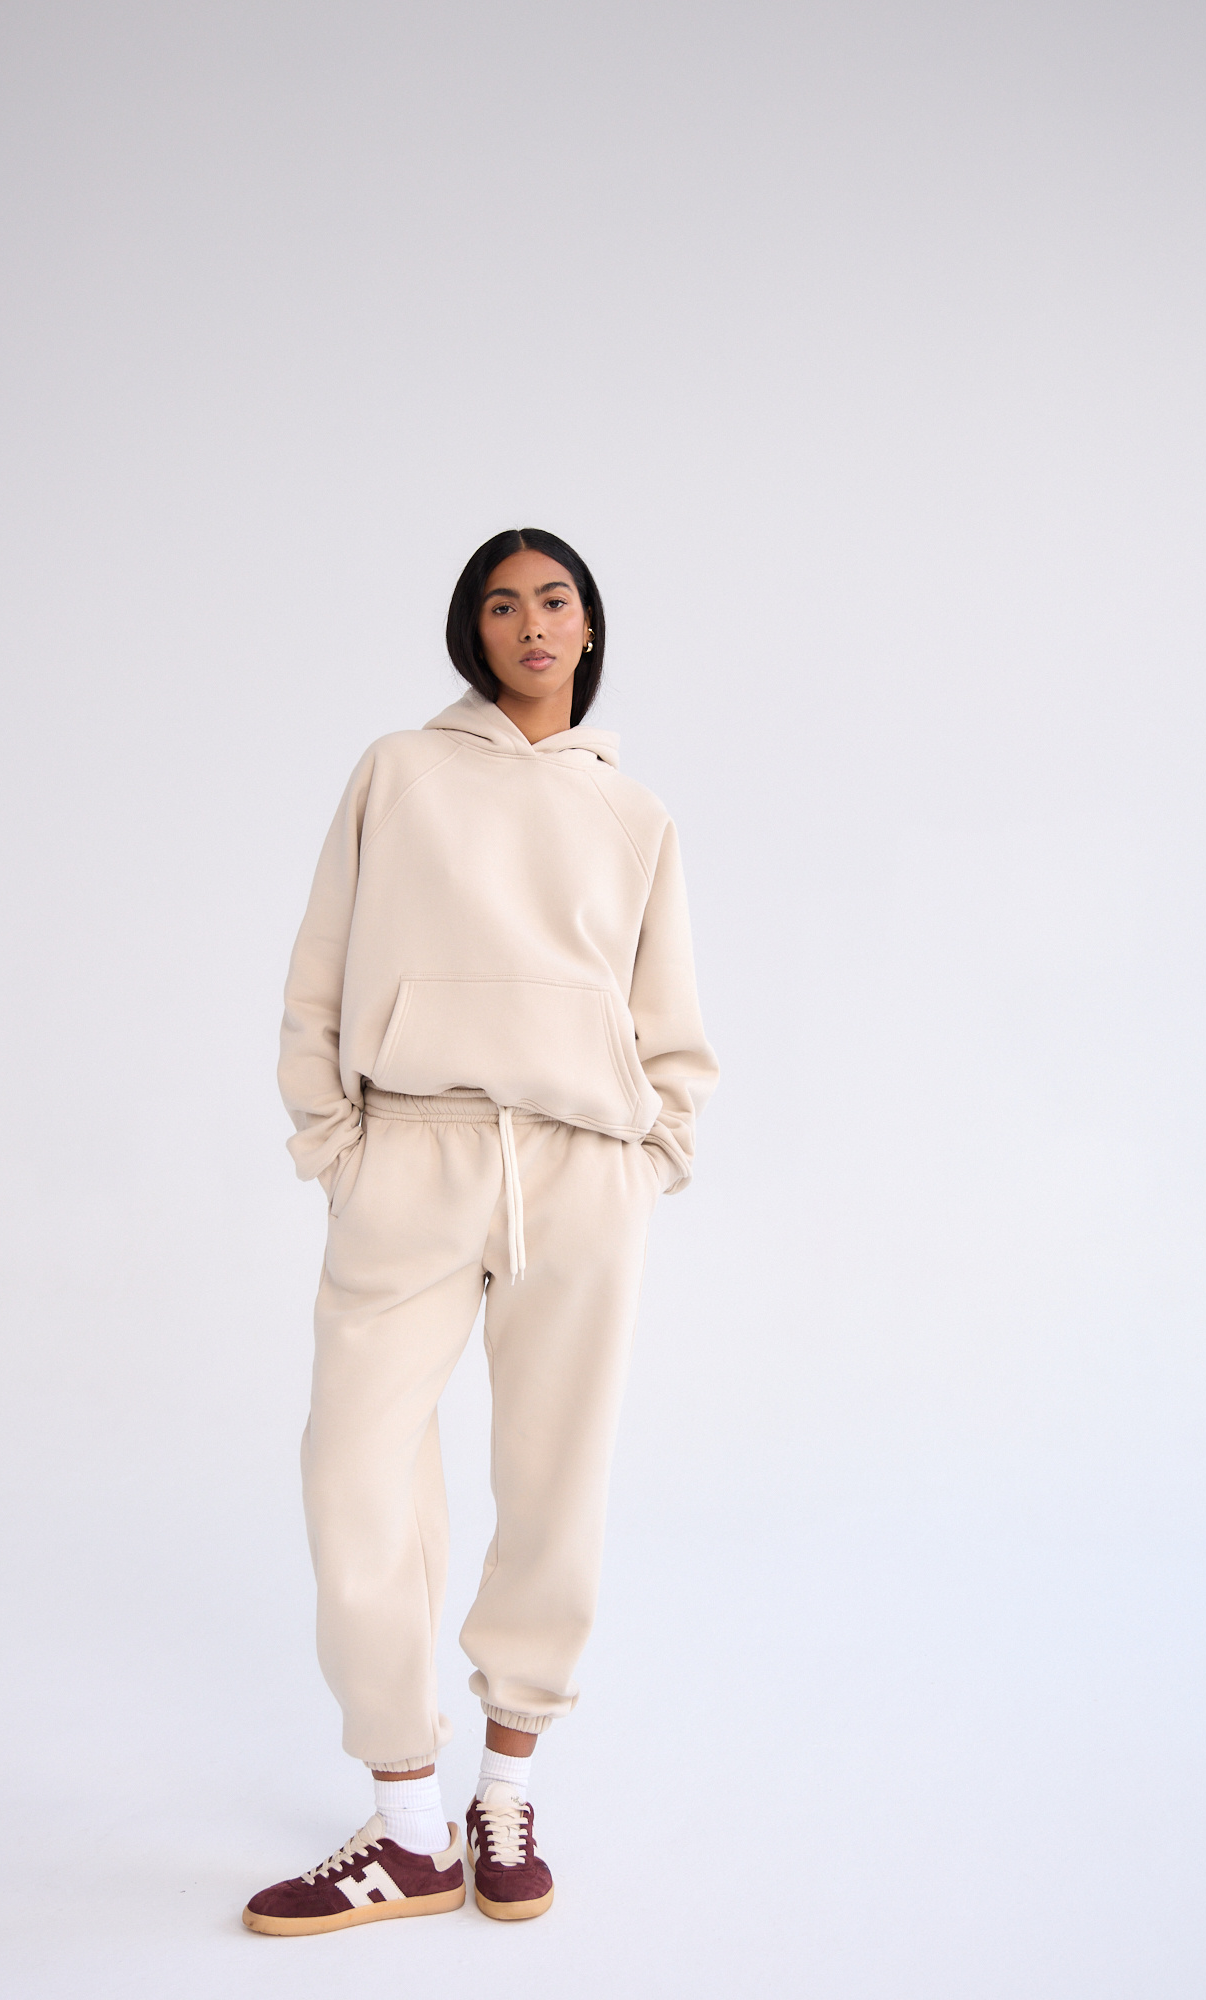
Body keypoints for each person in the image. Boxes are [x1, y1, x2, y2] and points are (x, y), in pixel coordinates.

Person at [242, 528, 717, 1937]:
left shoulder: (634, 815)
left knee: (554, 1477)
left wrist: (648, 1156)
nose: (531, 624)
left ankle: (506, 1786)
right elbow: (321, 965)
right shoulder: (398, 771)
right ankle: (405, 1824)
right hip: (413, 1150)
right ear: (473, 630)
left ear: (589, 626)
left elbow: (671, 1022)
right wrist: (337, 1143)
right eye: (501, 605)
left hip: (579, 1168)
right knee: (354, 1469)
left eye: (553, 600)